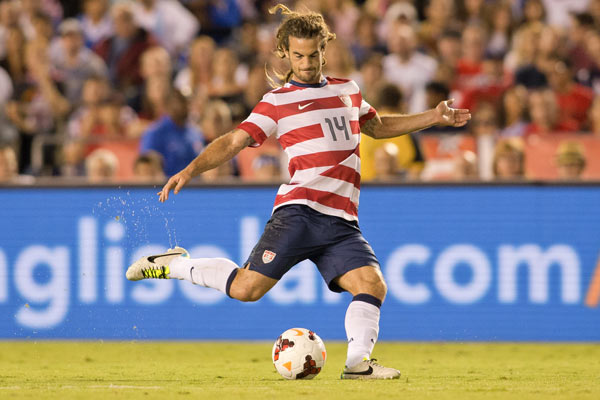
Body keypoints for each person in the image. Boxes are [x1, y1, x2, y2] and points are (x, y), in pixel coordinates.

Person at [126, 4, 470, 380]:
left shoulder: (348, 91)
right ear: (285, 54)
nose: (306, 63)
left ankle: (357, 364)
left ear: (325, 49)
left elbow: (379, 126)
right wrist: (192, 168)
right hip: (299, 212)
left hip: (341, 220)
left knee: (372, 284)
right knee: (246, 289)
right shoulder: (277, 101)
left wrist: (433, 117)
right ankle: (173, 263)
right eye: (298, 56)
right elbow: (234, 141)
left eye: (313, 54)